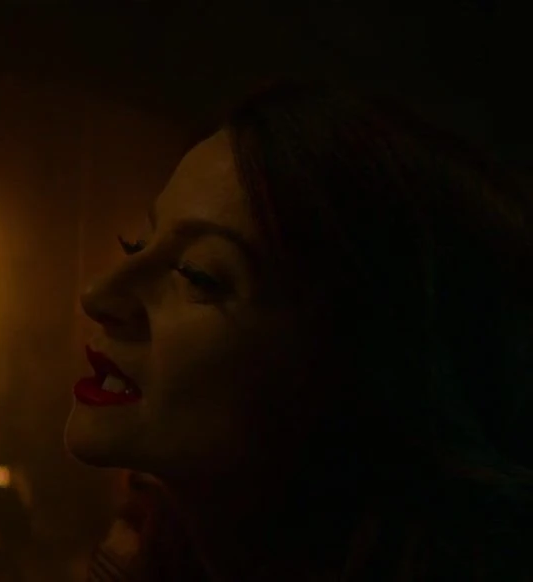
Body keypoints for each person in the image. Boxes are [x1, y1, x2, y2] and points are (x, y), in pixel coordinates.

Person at [69, 82, 533, 581]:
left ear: (361, 368)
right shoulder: (138, 556)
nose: (98, 294)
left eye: (198, 274)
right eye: (138, 243)